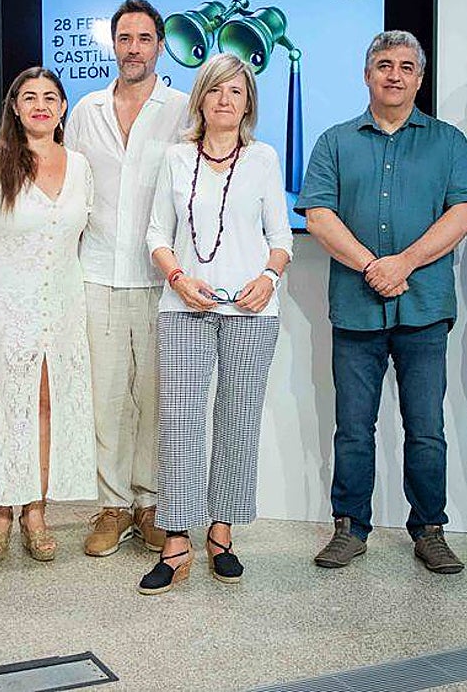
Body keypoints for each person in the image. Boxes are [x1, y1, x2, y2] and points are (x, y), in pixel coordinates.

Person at [297, 30, 467, 575]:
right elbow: (318, 216)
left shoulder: (448, 142)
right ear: (367, 74)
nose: (394, 74)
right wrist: (371, 266)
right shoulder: (334, 141)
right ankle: (349, 528)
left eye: (406, 66)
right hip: (356, 309)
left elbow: (463, 215)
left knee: (425, 426)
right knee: (353, 427)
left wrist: (401, 264)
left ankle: (430, 529)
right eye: (383, 64)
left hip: (424, 307)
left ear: (419, 78)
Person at [138, 52, 292, 595]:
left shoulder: (265, 159)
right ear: (200, 98)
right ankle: (176, 540)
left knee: (237, 420)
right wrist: (179, 279)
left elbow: (282, 236)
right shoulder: (177, 158)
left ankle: (221, 533)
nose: (225, 101)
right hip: (184, 307)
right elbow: (157, 233)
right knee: (179, 423)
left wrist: (268, 279)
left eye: (237, 92)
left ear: (248, 102)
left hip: (252, 310)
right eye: (215, 91)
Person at [65, 0, 189, 558]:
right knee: (108, 396)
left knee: (157, 397)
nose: (133, 48)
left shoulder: (185, 109)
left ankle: (150, 503)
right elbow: (67, 187)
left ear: (160, 44)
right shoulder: (86, 108)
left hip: (165, 278)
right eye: (124, 38)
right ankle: (112, 505)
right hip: (96, 272)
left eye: (143, 38)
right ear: (112, 44)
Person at [0, 67, 96, 564]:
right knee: (2, 404)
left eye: (51, 97)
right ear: (14, 107)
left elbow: (78, 236)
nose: (40, 105)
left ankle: (35, 512)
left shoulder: (80, 166)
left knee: (45, 404)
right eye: (29, 97)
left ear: (62, 108)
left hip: (61, 304)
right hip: (3, 302)